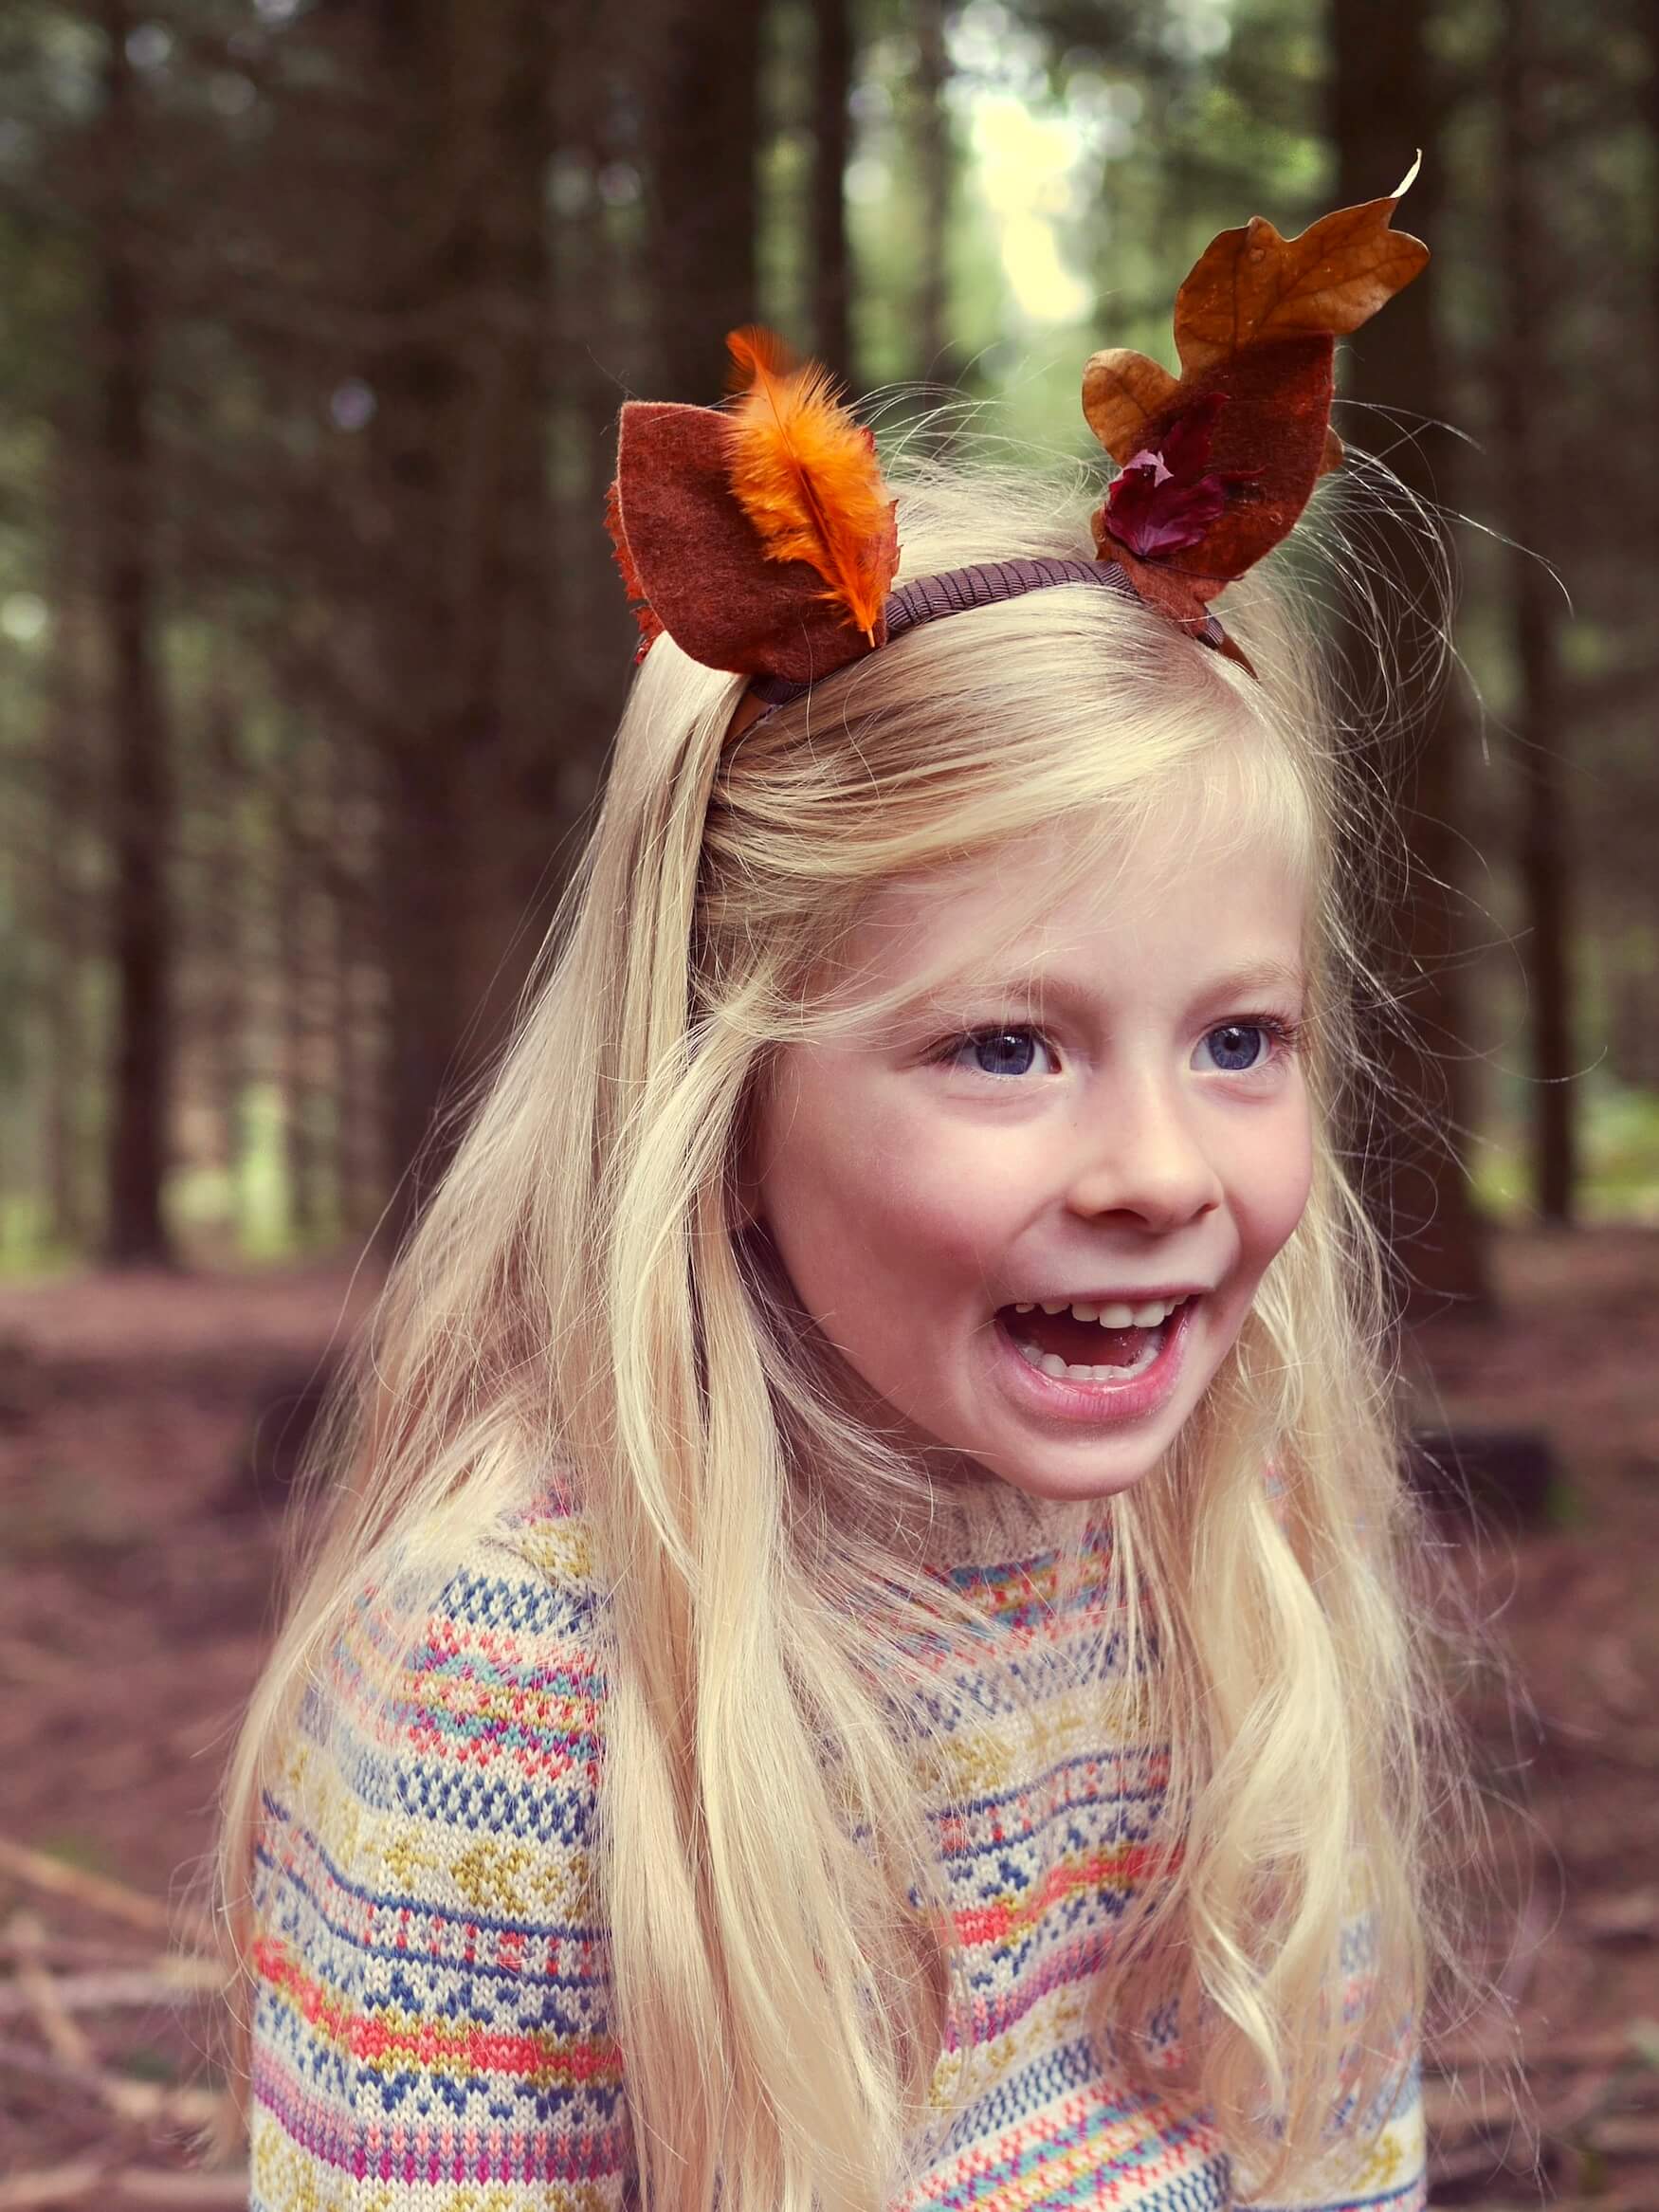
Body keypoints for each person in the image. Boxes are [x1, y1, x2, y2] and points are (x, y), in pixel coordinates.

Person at [216, 175, 1477, 2211]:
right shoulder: (525, 1695)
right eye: (1004, 1047)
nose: (1158, 1172)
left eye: (1236, 1041)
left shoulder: (1225, 1563)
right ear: (722, 1095)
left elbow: (1331, 2151)